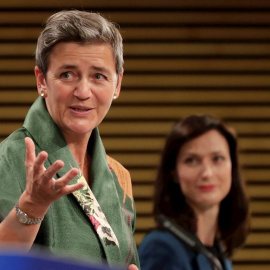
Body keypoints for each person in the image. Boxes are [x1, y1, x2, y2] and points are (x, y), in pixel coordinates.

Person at [0, 10, 140, 270]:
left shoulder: (118, 176)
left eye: (98, 76)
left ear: (117, 84)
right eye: (67, 75)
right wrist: (33, 205)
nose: (83, 92)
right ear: (42, 80)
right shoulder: (8, 159)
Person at [138, 115, 250, 270]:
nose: (207, 173)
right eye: (191, 160)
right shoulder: (161, 248)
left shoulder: (218, 250)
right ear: (174, 173)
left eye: (217, 158)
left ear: (232, 168)